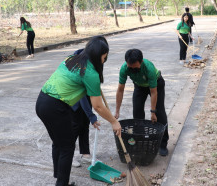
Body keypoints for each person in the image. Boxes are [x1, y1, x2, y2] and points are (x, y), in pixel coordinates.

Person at [35, 36, 121, 186]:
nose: (106, 57)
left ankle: (60, 176)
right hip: (55, 107)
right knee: (67, 146)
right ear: (101, 54)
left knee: (59, 143)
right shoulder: (91, 73)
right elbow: (98, 106)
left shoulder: (72, 58)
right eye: (105, 54)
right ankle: (62, 183)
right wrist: (114, 121)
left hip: (42, 102)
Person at [114, 49, 169, 156]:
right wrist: (117, 110)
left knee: (160, 113)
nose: (133, 70)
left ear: (141, 61)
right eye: (131, 68)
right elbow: (120, 90)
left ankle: (163, 144)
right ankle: (140, 141)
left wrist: (153, 112)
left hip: (156, 85)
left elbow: (153, 92)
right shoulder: (124, 69)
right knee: (137, 113)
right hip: (139, 86)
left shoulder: (149, 68)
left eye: (136, 68)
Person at [71, 95, 100, 167]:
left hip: (86, 98)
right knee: (74, 128)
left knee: (84, 126)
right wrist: (92, 116)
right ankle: (68, 155)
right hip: (75, 99)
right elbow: (81, 97)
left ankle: (85, 154)